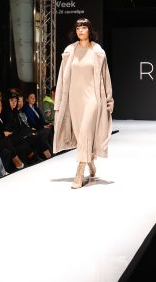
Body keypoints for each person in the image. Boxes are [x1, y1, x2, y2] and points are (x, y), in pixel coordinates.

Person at [53, 18, 113, 189]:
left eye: (84, 27)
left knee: (86, 130)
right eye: (78, 27)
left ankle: (79, 172)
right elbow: (62, 78)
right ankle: (90, 161)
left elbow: (105, 78)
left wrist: (109, 100)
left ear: (89, 30)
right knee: (81, 134)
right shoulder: (69, 51)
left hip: (93, 97)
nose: (80, 30)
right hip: (74, 99)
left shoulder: (97, 51)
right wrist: (59, 101)